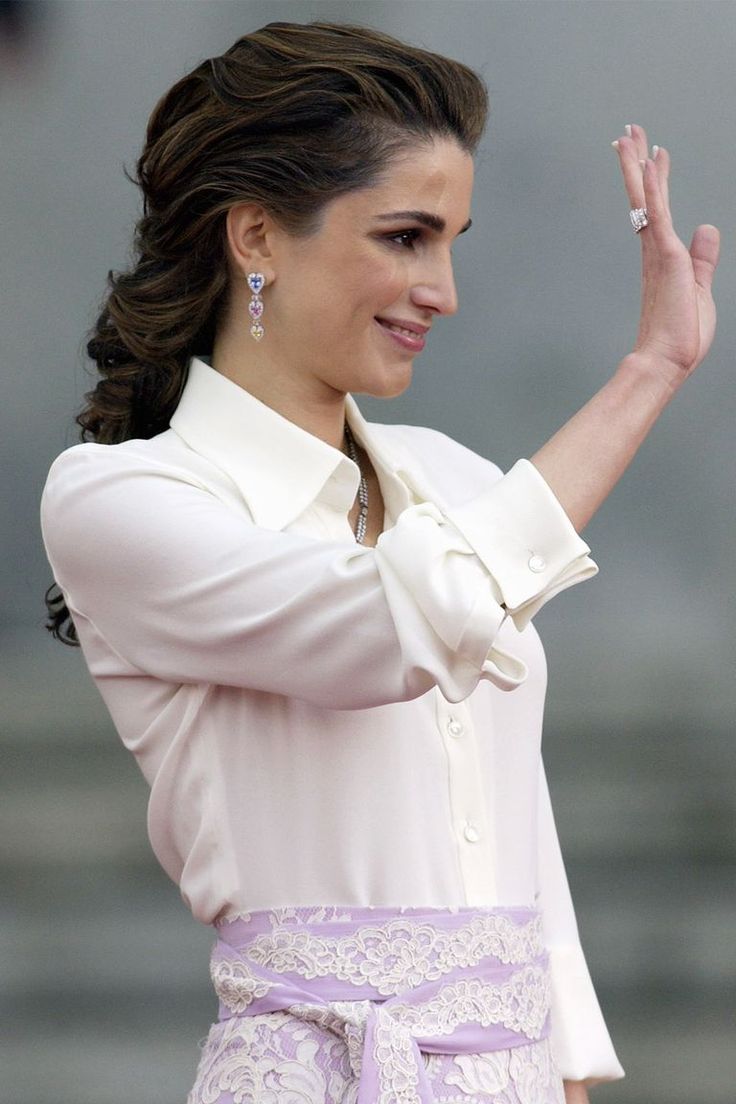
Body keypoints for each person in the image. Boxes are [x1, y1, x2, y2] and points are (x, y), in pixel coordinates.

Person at [39, 20, 719, 1104]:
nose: (442, 289)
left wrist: (564, 1074)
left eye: (451, 240)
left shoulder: (456, 483)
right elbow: (392, 632)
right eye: (405, 237)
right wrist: (646, 372)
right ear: (255, 236)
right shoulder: (121, 501)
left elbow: (517, 832)